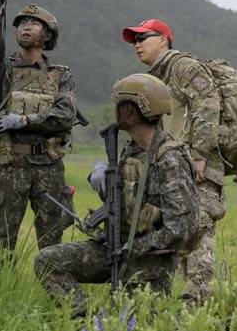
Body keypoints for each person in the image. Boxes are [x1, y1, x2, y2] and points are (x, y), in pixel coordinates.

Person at [34, 73, 199, 318]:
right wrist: (107, 190)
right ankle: (85, 323)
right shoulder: (130, 150)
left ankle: (107, 324)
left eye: (120, 105)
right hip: (116, 249)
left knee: (130, 324)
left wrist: (134, 247)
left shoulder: (170, 159)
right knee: (47, 261)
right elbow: (130, 205)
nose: (116, 110)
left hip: (150, 263)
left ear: (132, 110)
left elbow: (182, 227)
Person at [122, 20, 225, 303]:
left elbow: (208, 103)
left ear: (163, 39)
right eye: (134, 40)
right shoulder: (156, 78)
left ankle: (196, 302)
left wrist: (200, 155)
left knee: (197, 231)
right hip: (176, 166)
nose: (137, 44)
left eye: (143, 37)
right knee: (176, 232)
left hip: (197, 165)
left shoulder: (183, 67)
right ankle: (176, 301)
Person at [0, 0, 76, 252]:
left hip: (49, 165)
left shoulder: (61, 75)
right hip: (11, 164)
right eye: (22, 22)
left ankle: (51, 278)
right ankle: (2, 279)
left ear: (47, 35)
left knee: (52, 239)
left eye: (34, 23)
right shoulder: (5, 71)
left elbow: (64, 116)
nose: (25, 26)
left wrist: (23, 121)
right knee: (3, 239)